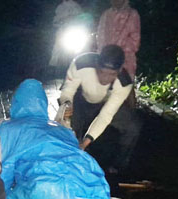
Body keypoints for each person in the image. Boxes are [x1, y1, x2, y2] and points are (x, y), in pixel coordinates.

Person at [59, 44, 141, 174]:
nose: (105, 79)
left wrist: (86, 142)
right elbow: (67, 91)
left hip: (104, 104)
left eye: (111, 74)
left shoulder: (124, 83)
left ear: (119, 70)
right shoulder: (81, 64)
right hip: (80, 100)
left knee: (133, 128)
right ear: (97, 65)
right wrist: (67, 104)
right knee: (67, 127)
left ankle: (118, 167)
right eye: (102, 72)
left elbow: (106, 115)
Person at [97, 0, 140, 79]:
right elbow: (100, 36)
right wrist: (106, 52)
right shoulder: (106, 15)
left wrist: (118, 52)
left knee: (124, 84)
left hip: (125, 61)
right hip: (106, 59)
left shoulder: (132, 14)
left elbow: (135, 40)